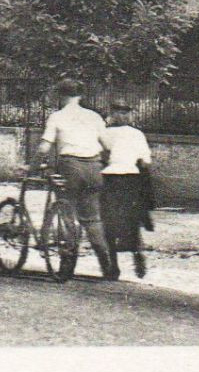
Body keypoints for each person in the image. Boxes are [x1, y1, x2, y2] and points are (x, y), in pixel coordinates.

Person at [35, 78, 119, 280]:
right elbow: (108, 145)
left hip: (70, 167)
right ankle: (107, 265)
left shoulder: (57, 117)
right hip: (94, 167)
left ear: (60, 95)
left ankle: (67, 265)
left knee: (67, 214)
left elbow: (44, 147)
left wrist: (34, 165)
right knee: (92, 219)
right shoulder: (94, 117)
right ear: (80, 96)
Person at [100, 102, 155, 278]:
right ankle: (136, 252)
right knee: (132, 219)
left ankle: (114, 265)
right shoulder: (137, 134)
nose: (123, 116)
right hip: (130, 179)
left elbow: (101, 155)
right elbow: (146, 161)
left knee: (108, 221)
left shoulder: (104, 133)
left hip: (109, 179)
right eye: (121, 113)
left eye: (125, 113)